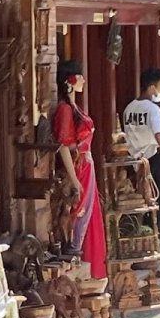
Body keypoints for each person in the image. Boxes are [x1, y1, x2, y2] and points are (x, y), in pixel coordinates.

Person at [53, 61, 107, 279]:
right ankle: (78, 261)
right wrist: (74, 180)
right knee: (79, 213)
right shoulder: (65, 109)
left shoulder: (74, 107)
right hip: (79, 167)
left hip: (87, 164)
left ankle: (91, 269)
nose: (83, 80)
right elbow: (64, 146)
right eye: (80, 76)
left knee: (90, 214)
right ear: (70, 81)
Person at [122, 68, 160, 205]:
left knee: (143, 200)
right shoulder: (153, 109)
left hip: (136, 161)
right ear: (152, 88)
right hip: (155, 157)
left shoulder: (129, 108)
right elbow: (159, 134)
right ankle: (158, 226)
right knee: (158, 200)